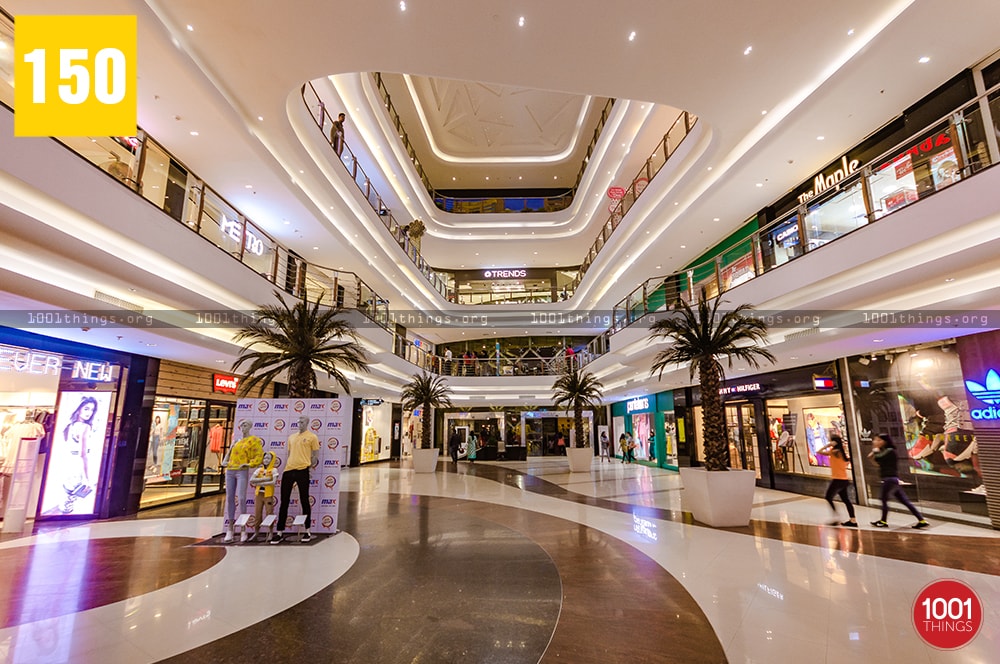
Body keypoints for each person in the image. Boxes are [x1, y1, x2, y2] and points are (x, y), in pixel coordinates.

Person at [271, 415, 319, 544]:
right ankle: (280, 531)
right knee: (284, 501)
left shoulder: (312, 437)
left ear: (307, 423)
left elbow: (315, 456)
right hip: (288, 470)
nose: (300, 423)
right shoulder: (291, 437)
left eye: (302, 421)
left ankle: (307, 530)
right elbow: (289, 453)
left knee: (304, 499)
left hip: (303, 470)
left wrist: (309, 468)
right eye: (299, 422)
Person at [867, 433, 929, 529]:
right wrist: (873, 455)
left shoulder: (890, 451)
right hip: (892, 480)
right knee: (904, 501)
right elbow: (878, 463)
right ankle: (921, 520)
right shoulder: (885, 452)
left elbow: (878, 457)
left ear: (884, 441)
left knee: (883, 499)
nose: (875, 442)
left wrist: (875, 451)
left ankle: (883, 521)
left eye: (878, 440)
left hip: (889, 480)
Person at [222, 420, 263, 543]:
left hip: (241, 470)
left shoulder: (254, 440)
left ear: (250, 426)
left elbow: (258, 455)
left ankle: (243, 528)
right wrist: (226, 461)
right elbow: (228, 455)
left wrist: (249, 464)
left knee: (241, 498)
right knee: (230, 498)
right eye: (242, 425)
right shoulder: (236, 441)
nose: (243, 427)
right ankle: (230, 528)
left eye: (245, 425)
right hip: (230, 470)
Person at [61, 396, 99, 514]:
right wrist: (87, 478)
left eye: (92, 410)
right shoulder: (85, 427)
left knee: (69, 495)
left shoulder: (70, 426)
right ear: (79, 409)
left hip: (69, 463)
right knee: (75, 496)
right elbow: (83, 454)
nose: (89, 413)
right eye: (86, 409)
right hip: (79, 465)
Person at [816, 434, 857, 527]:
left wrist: (828, 445)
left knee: (828, 497)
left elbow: (820, 451)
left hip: (838, 480)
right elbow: (818, 452)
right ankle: (853, 520)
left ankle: (837, 518)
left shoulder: (836, 452)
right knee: (846, 500)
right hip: (843, 479)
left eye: (830, 440)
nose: (829, 442)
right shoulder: (838, 452)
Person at [249, 451, 278, 542]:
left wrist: (260, 481)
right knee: (257, 514)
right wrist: (265, 479)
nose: (266, 460)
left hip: (268, 495)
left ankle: (270, 532)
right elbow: (252, 480)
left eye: (268, 458)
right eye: (265, 458)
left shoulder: (274, 470)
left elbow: (273, 482)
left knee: (269, 513)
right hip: (259, 494)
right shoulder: (259, 470)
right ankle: (256, 532)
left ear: (272, 460)